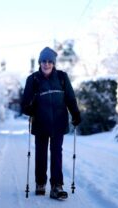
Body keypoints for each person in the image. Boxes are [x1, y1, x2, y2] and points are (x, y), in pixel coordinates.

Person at [21, 47, 81, 199]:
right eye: (43, 61)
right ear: (40, 62)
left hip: (59, 123)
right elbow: (24, 104)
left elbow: (70, 98)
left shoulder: (62, 77)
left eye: (49, 61)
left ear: (53, 63)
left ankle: (57, 186)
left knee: (57, 154)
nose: (46, 64)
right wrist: (30, 110)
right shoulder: (33, 79)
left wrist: (75, 114)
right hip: (40, 123)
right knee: (40, 154)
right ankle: (40, 183)